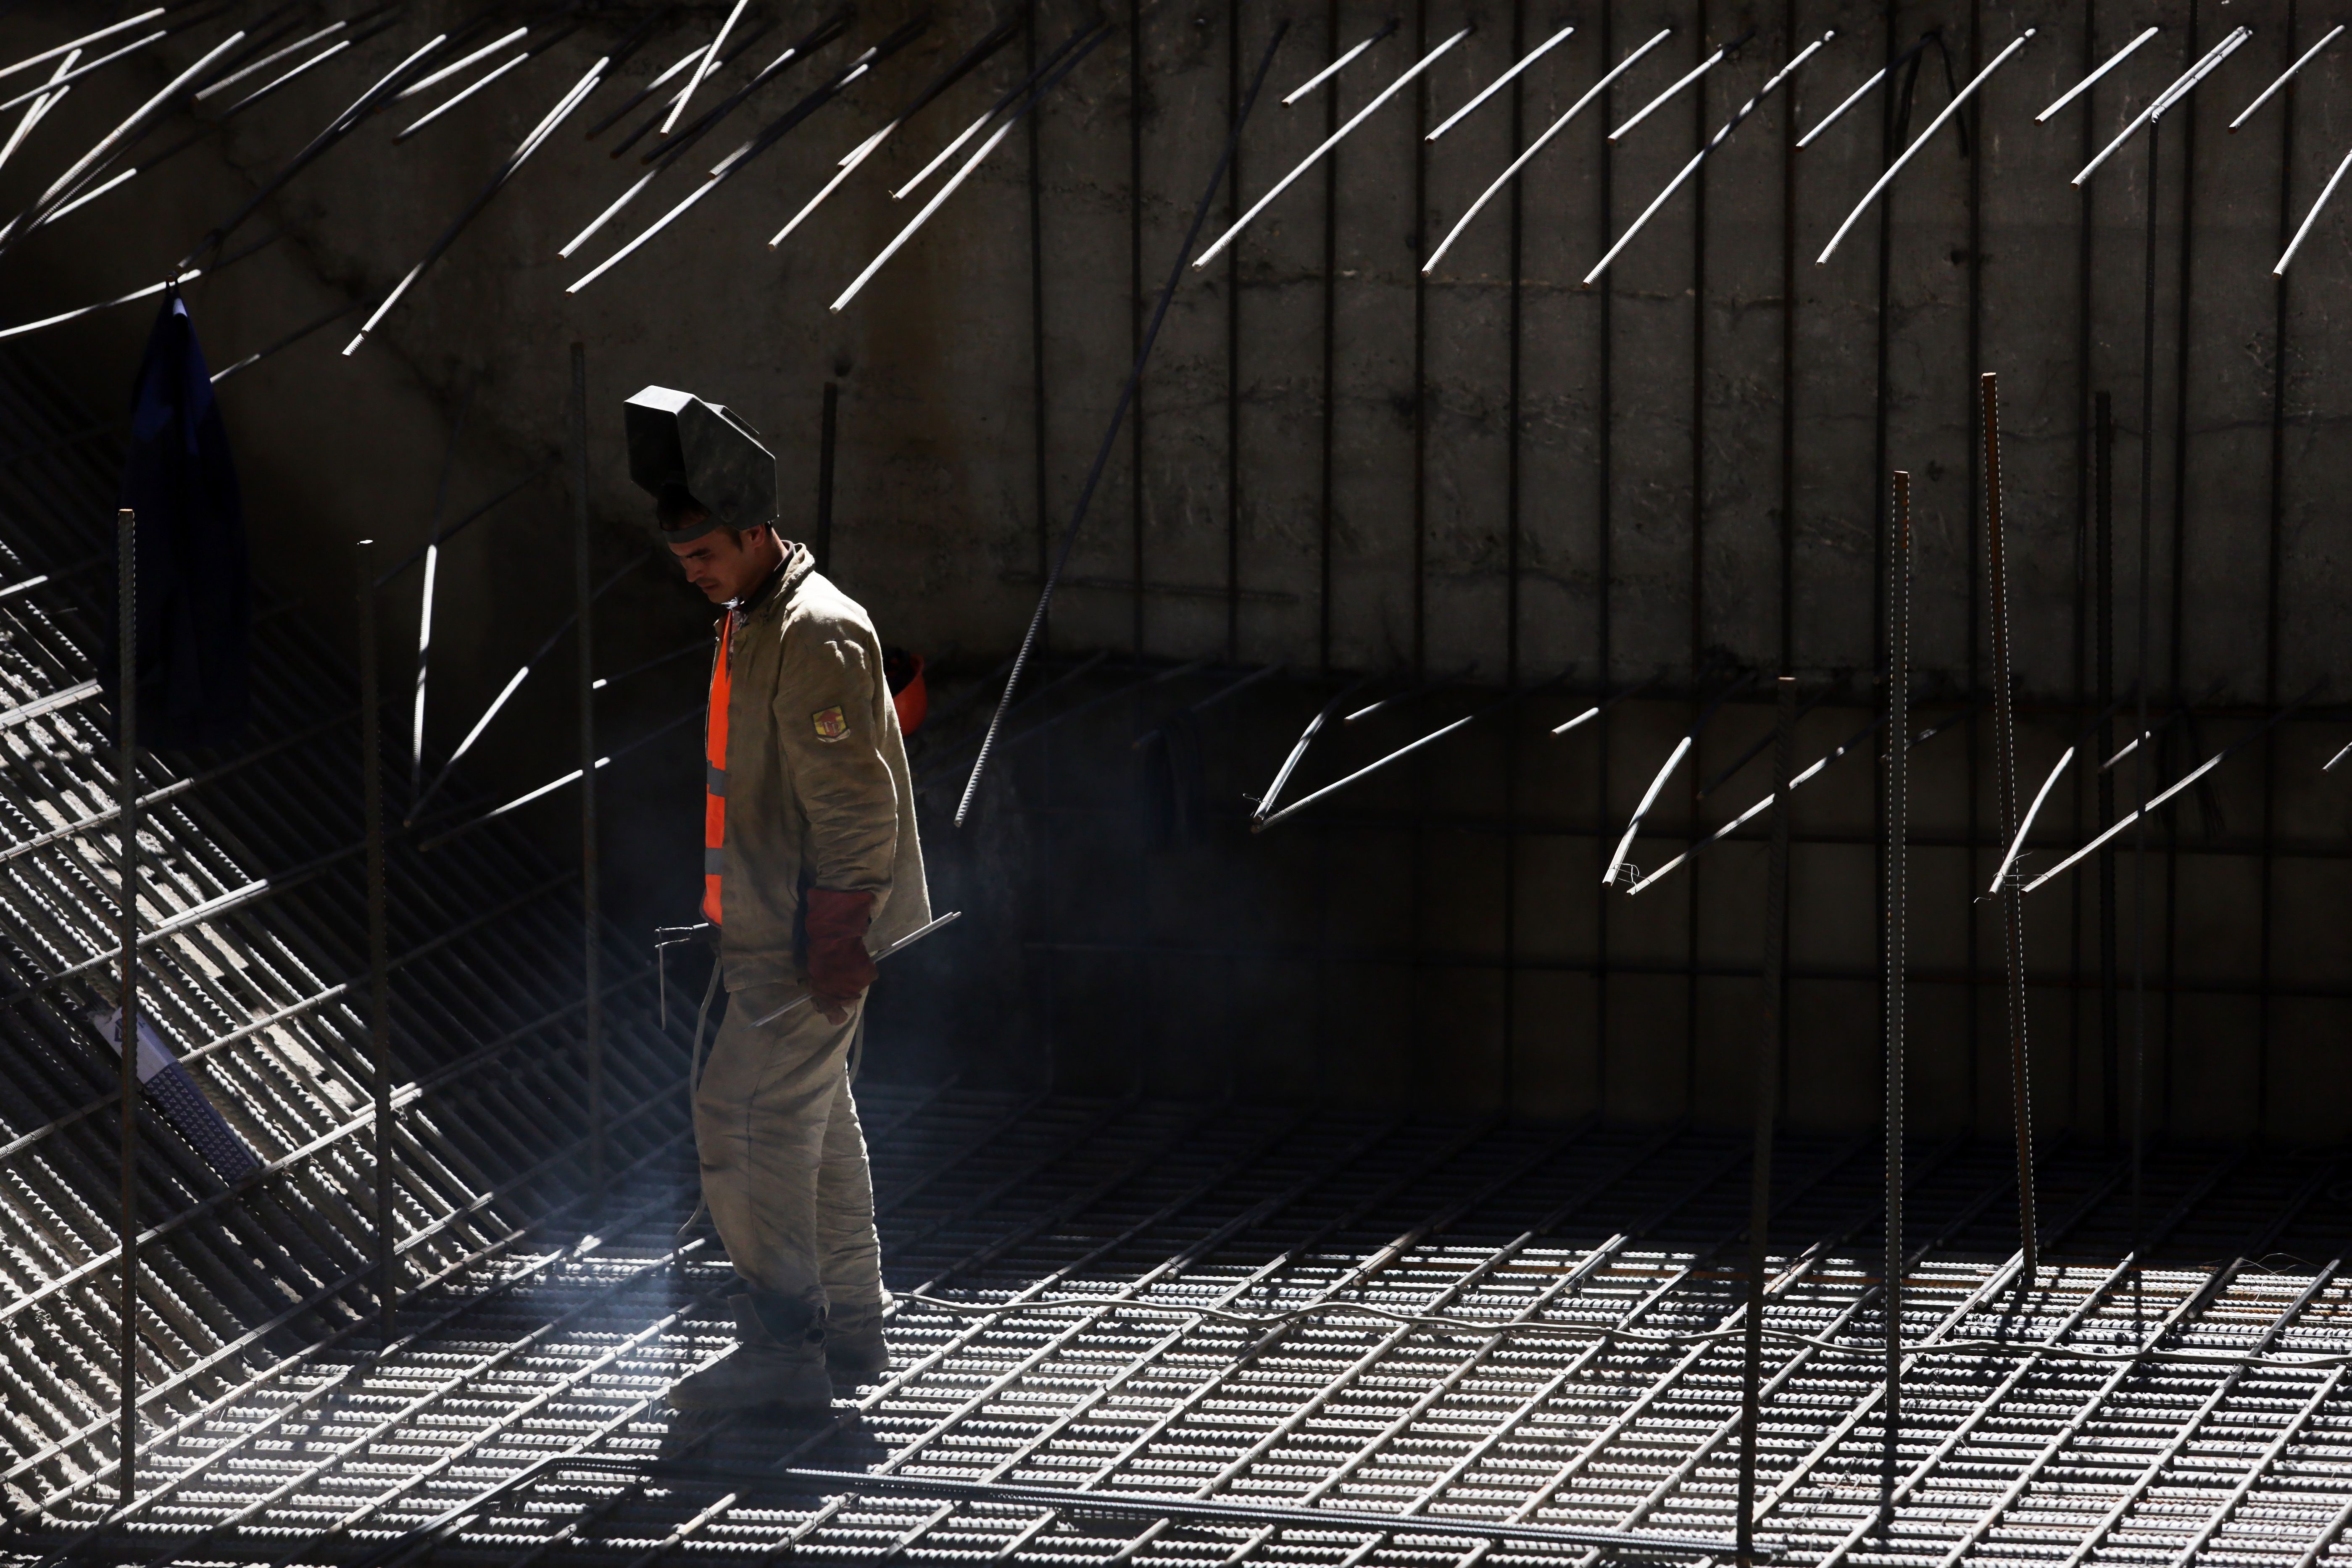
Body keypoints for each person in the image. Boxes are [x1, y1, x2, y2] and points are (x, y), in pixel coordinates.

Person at [623, 386, 928, 1416]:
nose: (695, 575)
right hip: (770, 931)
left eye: (707, 555)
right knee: (816, 1124)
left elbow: (853, 808)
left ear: (758, 533)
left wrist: (837, 931)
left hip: (805, 942)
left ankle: (784, 1354)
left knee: (741, 1119)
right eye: (684, 561)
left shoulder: (818, 634)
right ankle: (852, 1329)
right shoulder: (756, 618)